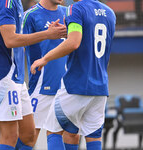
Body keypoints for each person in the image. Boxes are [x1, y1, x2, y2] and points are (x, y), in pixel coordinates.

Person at [0, 0, 66, 150]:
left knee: (28, 135)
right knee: (10, 135)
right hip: (2, 76)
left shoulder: (16, 3)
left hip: (16, 78)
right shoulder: (6, 2)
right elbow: (10, 40)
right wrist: (47, 34)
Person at [31, 0, 116, 149]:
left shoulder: (74, 9)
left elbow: (73, 43)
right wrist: (70, 29)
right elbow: (91, 38)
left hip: (77, 85)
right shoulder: (110, 12)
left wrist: (45, 58)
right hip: (101, 88)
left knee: (53, 130)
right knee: (93, 136)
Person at [22, 0, 80, 149]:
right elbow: (17, 47)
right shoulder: (30, 15)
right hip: (42, 87)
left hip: (67, 87)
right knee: (28, 137)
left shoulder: (68, 12)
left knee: (72, 135)